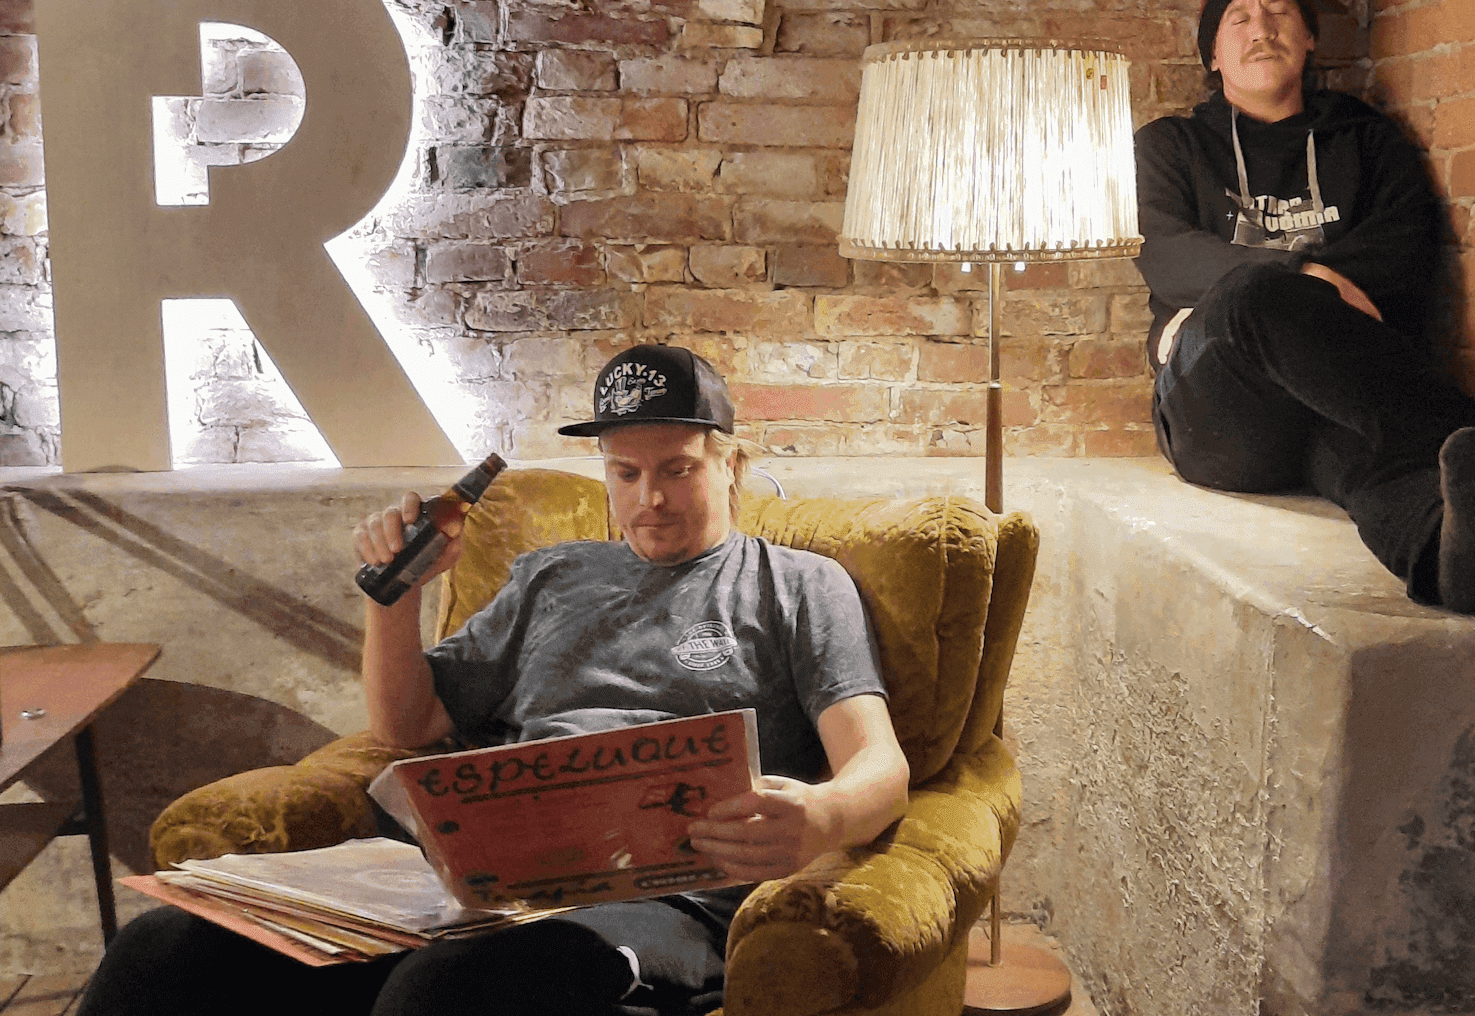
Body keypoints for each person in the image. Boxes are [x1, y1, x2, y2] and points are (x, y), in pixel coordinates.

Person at [79, 344, 909, 1016]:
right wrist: (396, 597)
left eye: (678, 469)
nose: (650, 499)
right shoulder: (552, 577)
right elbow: (408, 727)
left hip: (664, 900)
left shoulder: (797, 586)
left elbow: (882, 765)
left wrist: (825, 816)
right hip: (479, 882)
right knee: (160, 952)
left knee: (448, 991)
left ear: (731, 465)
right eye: (625, 473)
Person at [1136, 0, 1475, 614]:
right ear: (1213, 55)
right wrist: (1301, 274)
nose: (1261, 28)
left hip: (1342, 395)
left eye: (1279, 12)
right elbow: (1161, 250)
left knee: (1383, 467)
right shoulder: (1169, 148)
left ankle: (1461, 564)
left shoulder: (1366, 141)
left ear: (1310, 37)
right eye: (1238, 20)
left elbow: (1405, 248)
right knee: (1252, 299)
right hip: (1219, 412)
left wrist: (1295, 286)